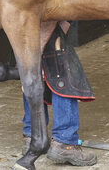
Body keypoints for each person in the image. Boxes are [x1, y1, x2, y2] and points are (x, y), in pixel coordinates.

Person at [22, 21, 97, 167]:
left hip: (25, 25)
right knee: (61, 73)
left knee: (34, 73)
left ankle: (32, 137)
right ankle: (65, 142)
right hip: (50, 24)